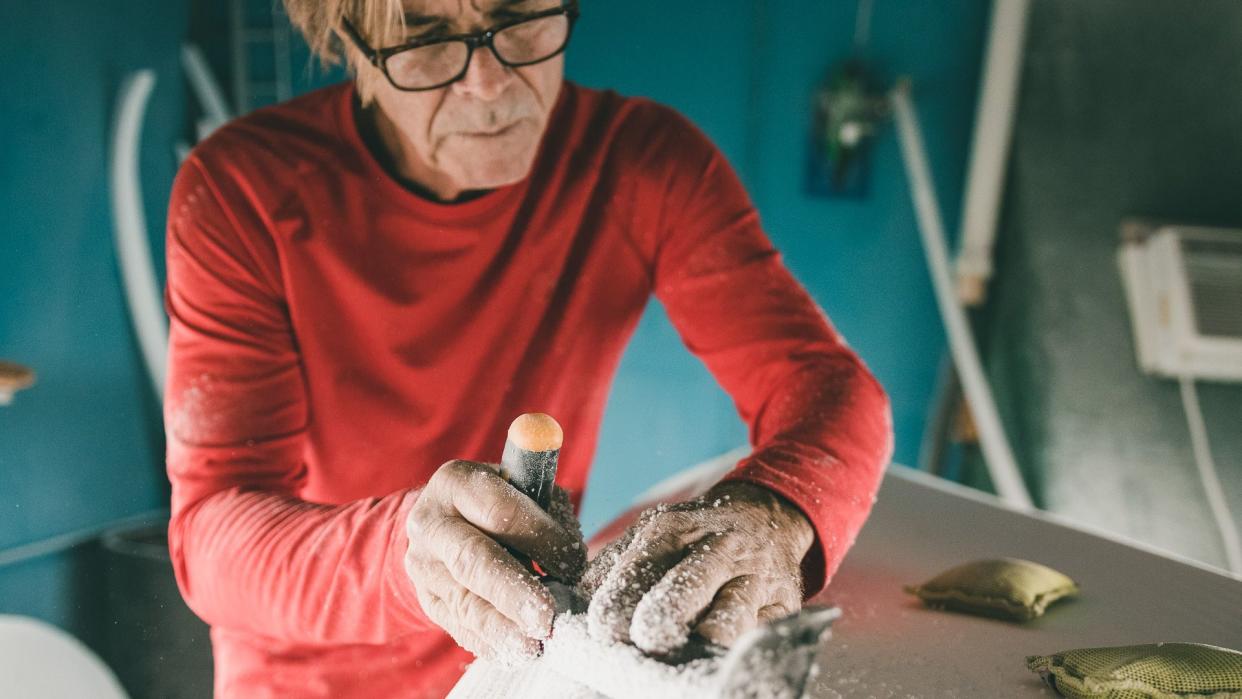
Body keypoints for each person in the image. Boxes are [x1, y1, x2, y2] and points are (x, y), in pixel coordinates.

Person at [163, 0, 893, 696]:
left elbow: (828, 387)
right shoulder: (240, 193)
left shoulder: (641, 163)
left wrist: (766, 515)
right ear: (347, 40)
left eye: (516, 19)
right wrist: (404, 556)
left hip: (535, 667)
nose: (487, 84)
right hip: (311, 680)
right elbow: (212, 533)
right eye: (423, 38)